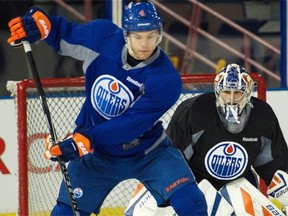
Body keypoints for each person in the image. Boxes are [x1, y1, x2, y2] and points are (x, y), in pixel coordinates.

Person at [7, 1, 208, 215]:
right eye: (138, 36)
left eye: (151, 36)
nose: (144, 44)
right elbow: (65, 35)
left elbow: (129, 125)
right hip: (97, 154)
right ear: (126, 34)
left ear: (159, 34)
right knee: (64, 213)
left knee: (191, 202)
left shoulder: (166, 79)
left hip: (148, 152)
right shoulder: (102, 38)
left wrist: (87, 139)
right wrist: (44, 26)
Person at [125, 63, 288, 215]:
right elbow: (170, 159)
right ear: (218, 90)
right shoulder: (195, 110)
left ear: (247, 92)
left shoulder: (263, 116)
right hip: (194, 181)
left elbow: (275, 166)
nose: (231, 98)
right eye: (226, 92)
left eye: (237, 92)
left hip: (238, 183)